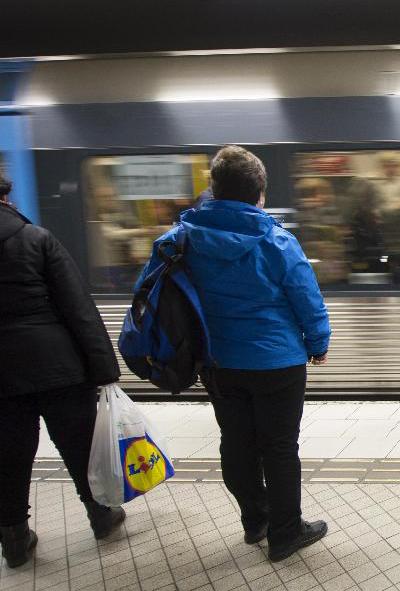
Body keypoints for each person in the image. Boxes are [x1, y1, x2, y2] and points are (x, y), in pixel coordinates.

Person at [137, 146, 332, 562]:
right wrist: (318, 343)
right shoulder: (277, 239)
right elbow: (306, 296)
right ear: (259, 193)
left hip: (218, 362)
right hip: (277, 362)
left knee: (237, 443)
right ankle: (285, 533)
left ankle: (255, 521)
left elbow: (154, 293)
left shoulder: (180, 239)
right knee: (279, 447)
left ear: (213, 189)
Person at [0, 175, 125, 568]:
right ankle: (102, 517)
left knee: (8, 456)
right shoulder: (37, 240)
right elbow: (78, 308)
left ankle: (14, 540)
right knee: (79, 445)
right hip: (58, 365)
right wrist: (104, 369)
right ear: (7, 198)